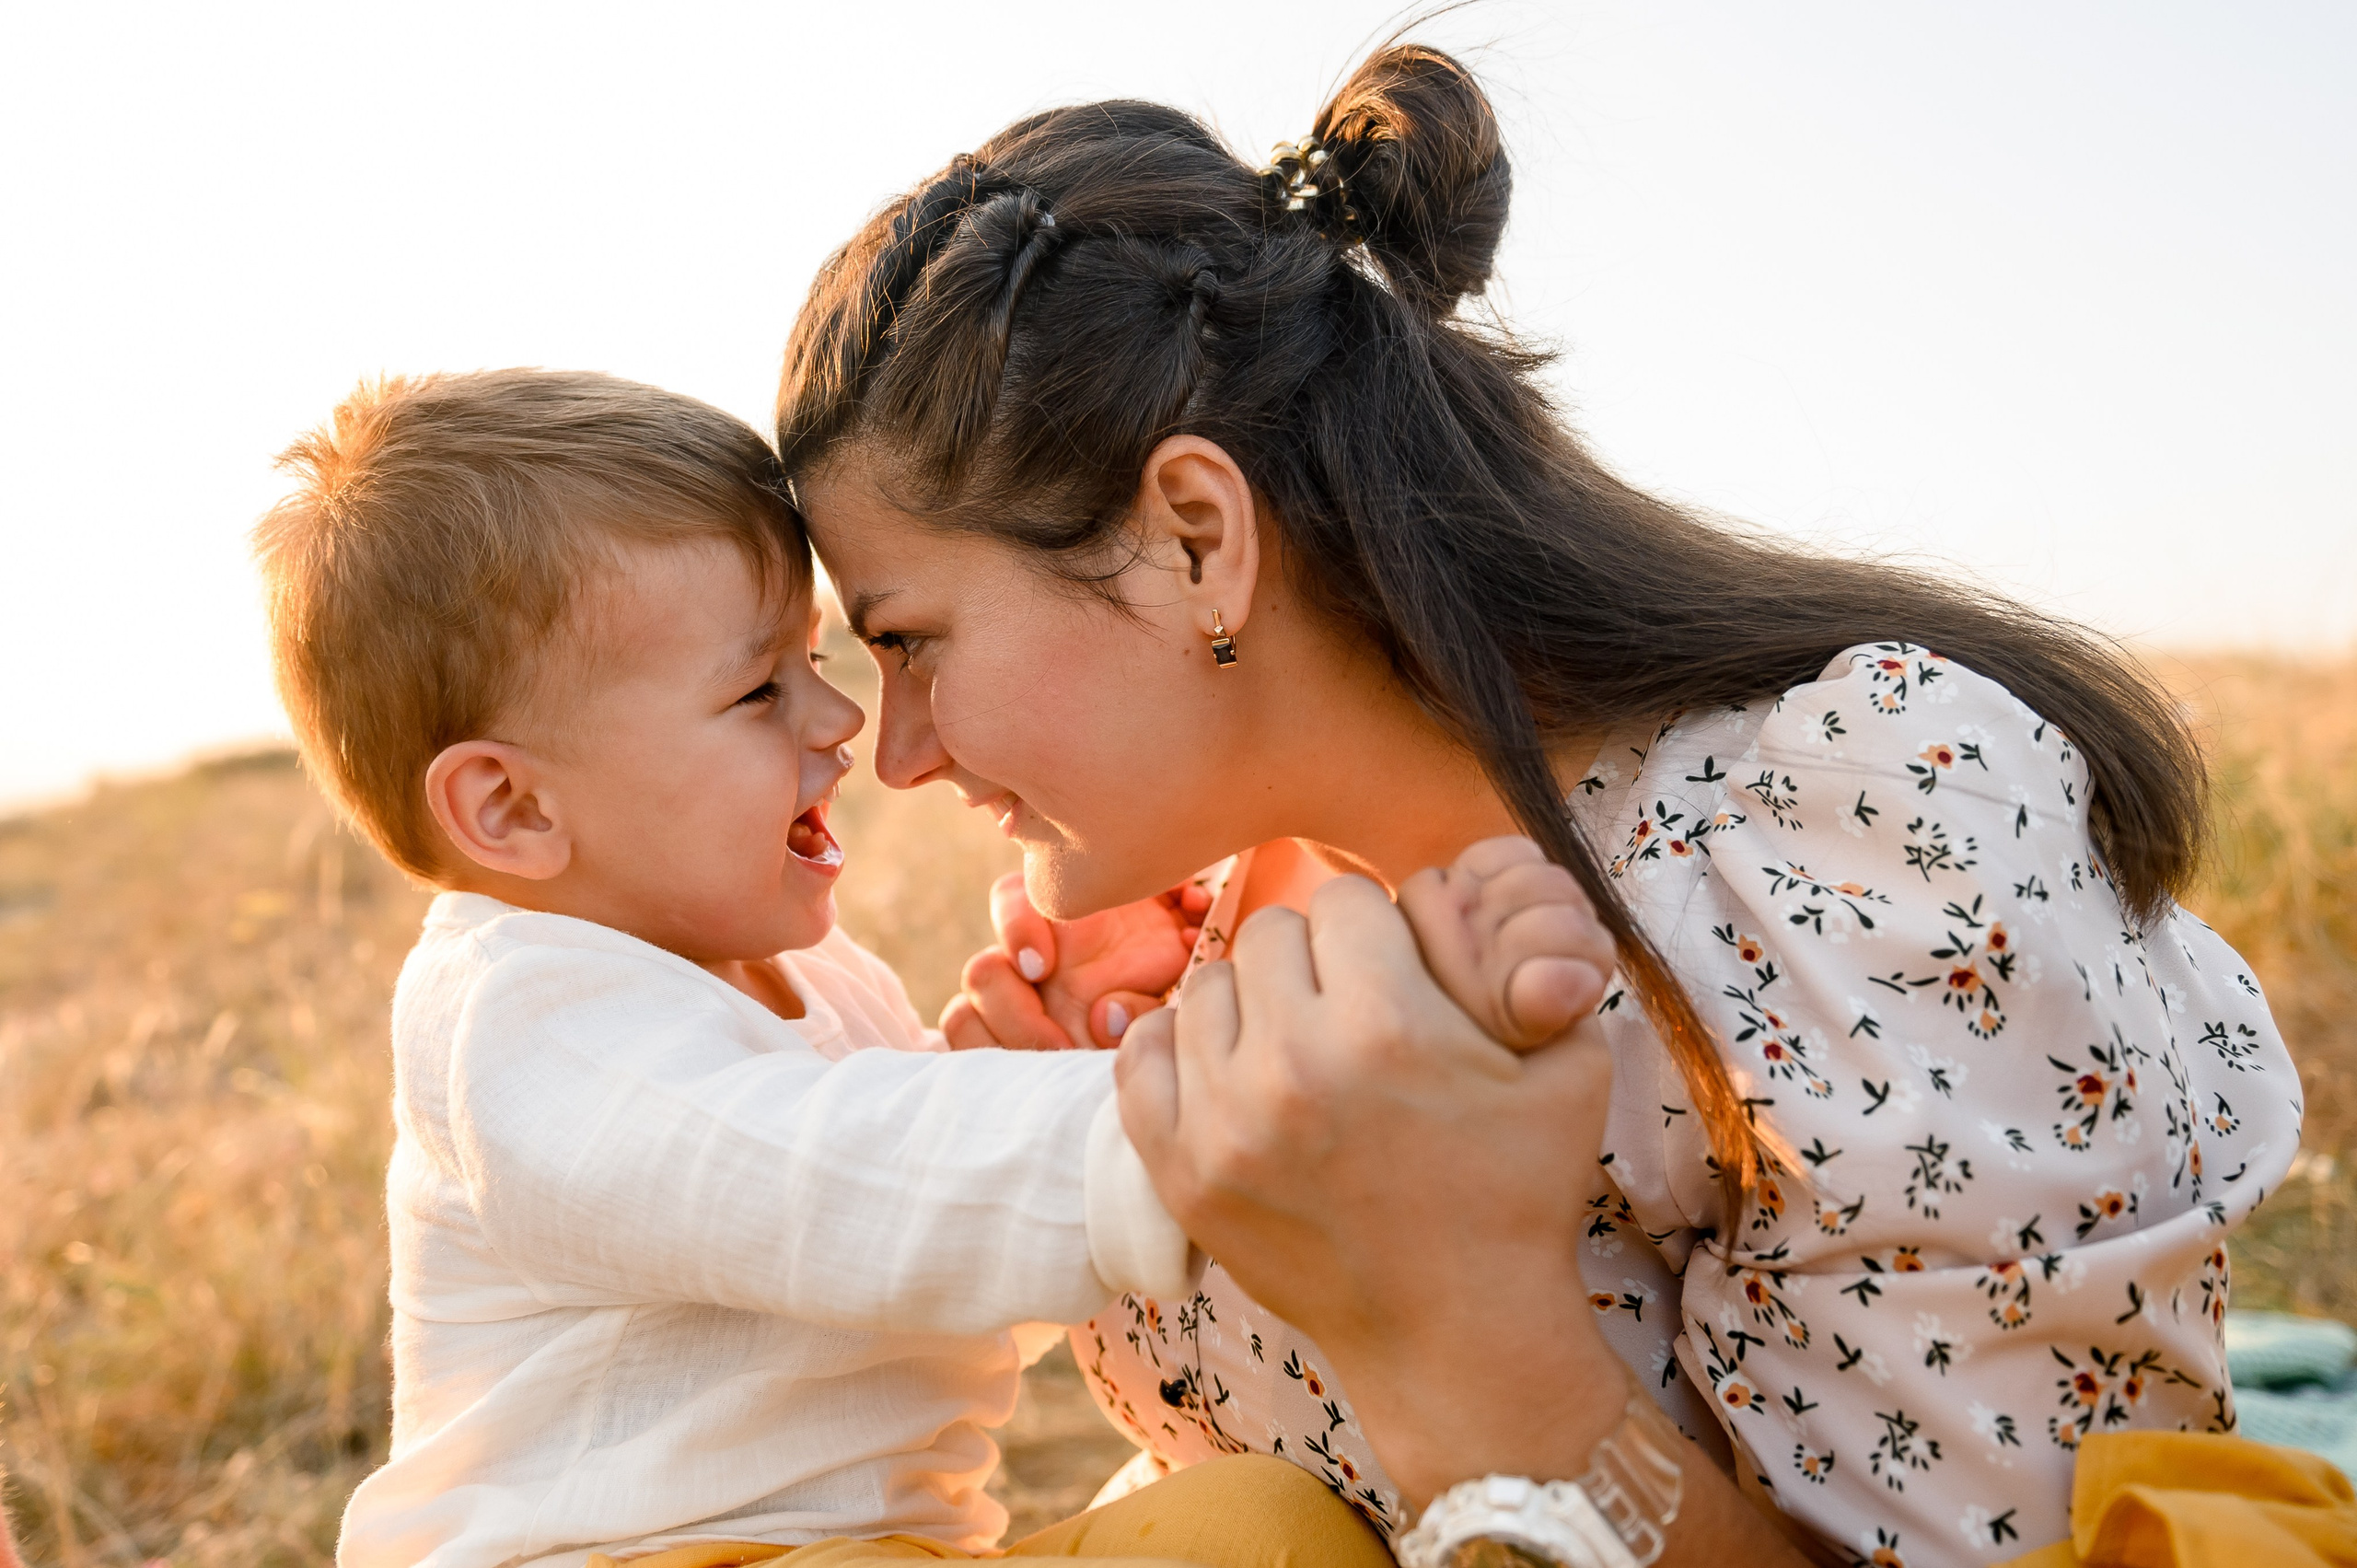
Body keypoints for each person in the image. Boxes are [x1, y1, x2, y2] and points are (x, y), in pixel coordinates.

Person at [774, 41, 2299, 1568]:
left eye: (912, 642)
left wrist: (1449, 1318)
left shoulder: (1850, 849)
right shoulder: (1235, 919)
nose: (896, 751)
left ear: (1192, 540)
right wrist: (1119, 1170)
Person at [253, 370, 1594, 1568]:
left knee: (1262, 1528)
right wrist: (1224, 1091)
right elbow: (823, 1181)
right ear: (514, 811)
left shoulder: (815, 977)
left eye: (816, 659)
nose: (840, 722)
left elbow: (901, 1266)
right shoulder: (521, 1021)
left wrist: (1068, 1065)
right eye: (756, 692)